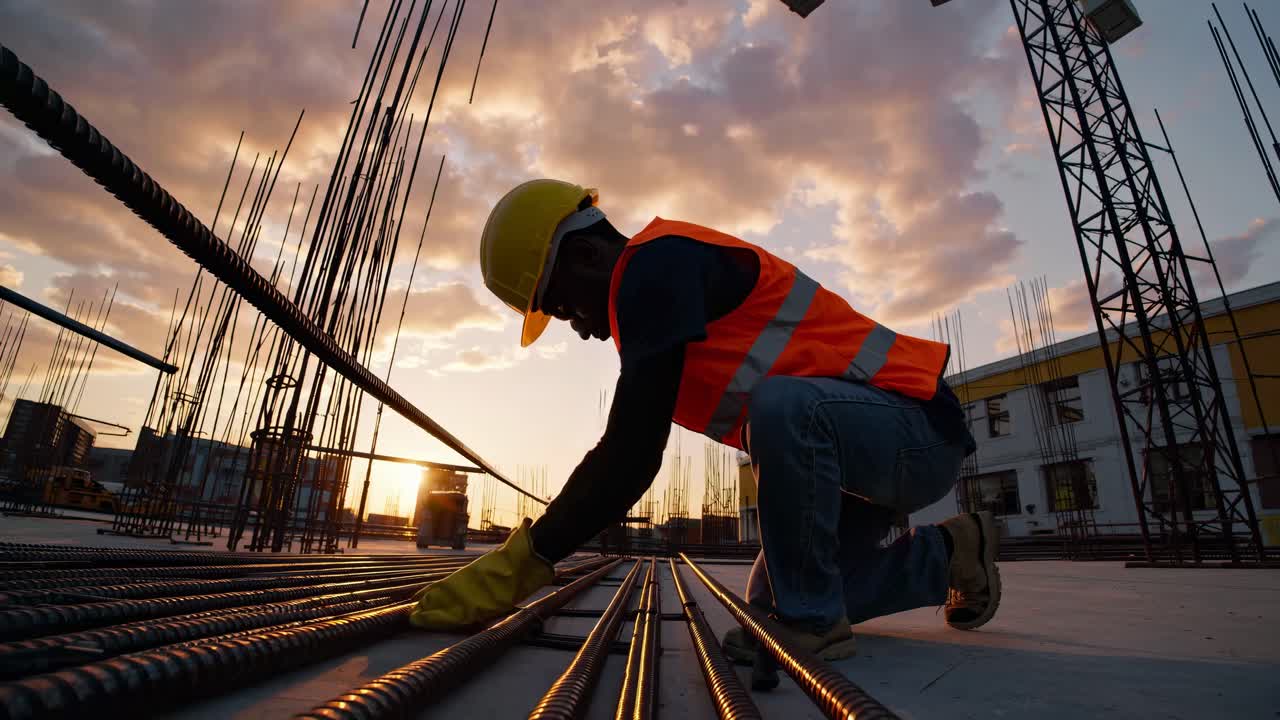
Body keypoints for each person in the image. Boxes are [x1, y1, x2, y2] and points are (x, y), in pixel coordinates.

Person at [410, 179, 1000, 662]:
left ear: (589, 255)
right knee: (777, 602)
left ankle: (816, 626)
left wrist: (524, 563)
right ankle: (949, 555)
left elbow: (630, 456)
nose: (581, 329)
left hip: (917, 434)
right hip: (859, 462)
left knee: (781, 408)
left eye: (565, 308)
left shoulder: (655, 269)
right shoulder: (656, 290)